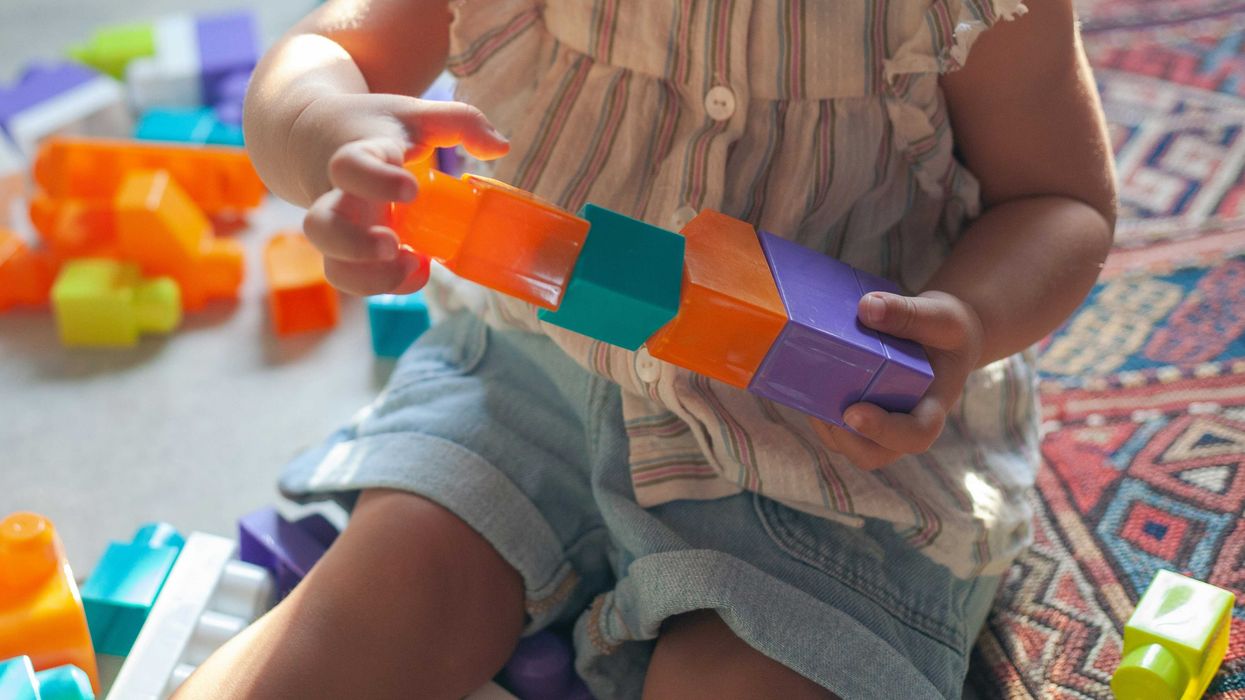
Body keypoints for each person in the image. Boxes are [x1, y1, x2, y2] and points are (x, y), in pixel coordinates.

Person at [178, 0, 1116, 697]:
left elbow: (1058, 202)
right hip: (528, 376)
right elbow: (324, 56)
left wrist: (967, 319)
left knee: (761, 672)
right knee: (371, 610)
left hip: (828, 446)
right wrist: (329, 133)